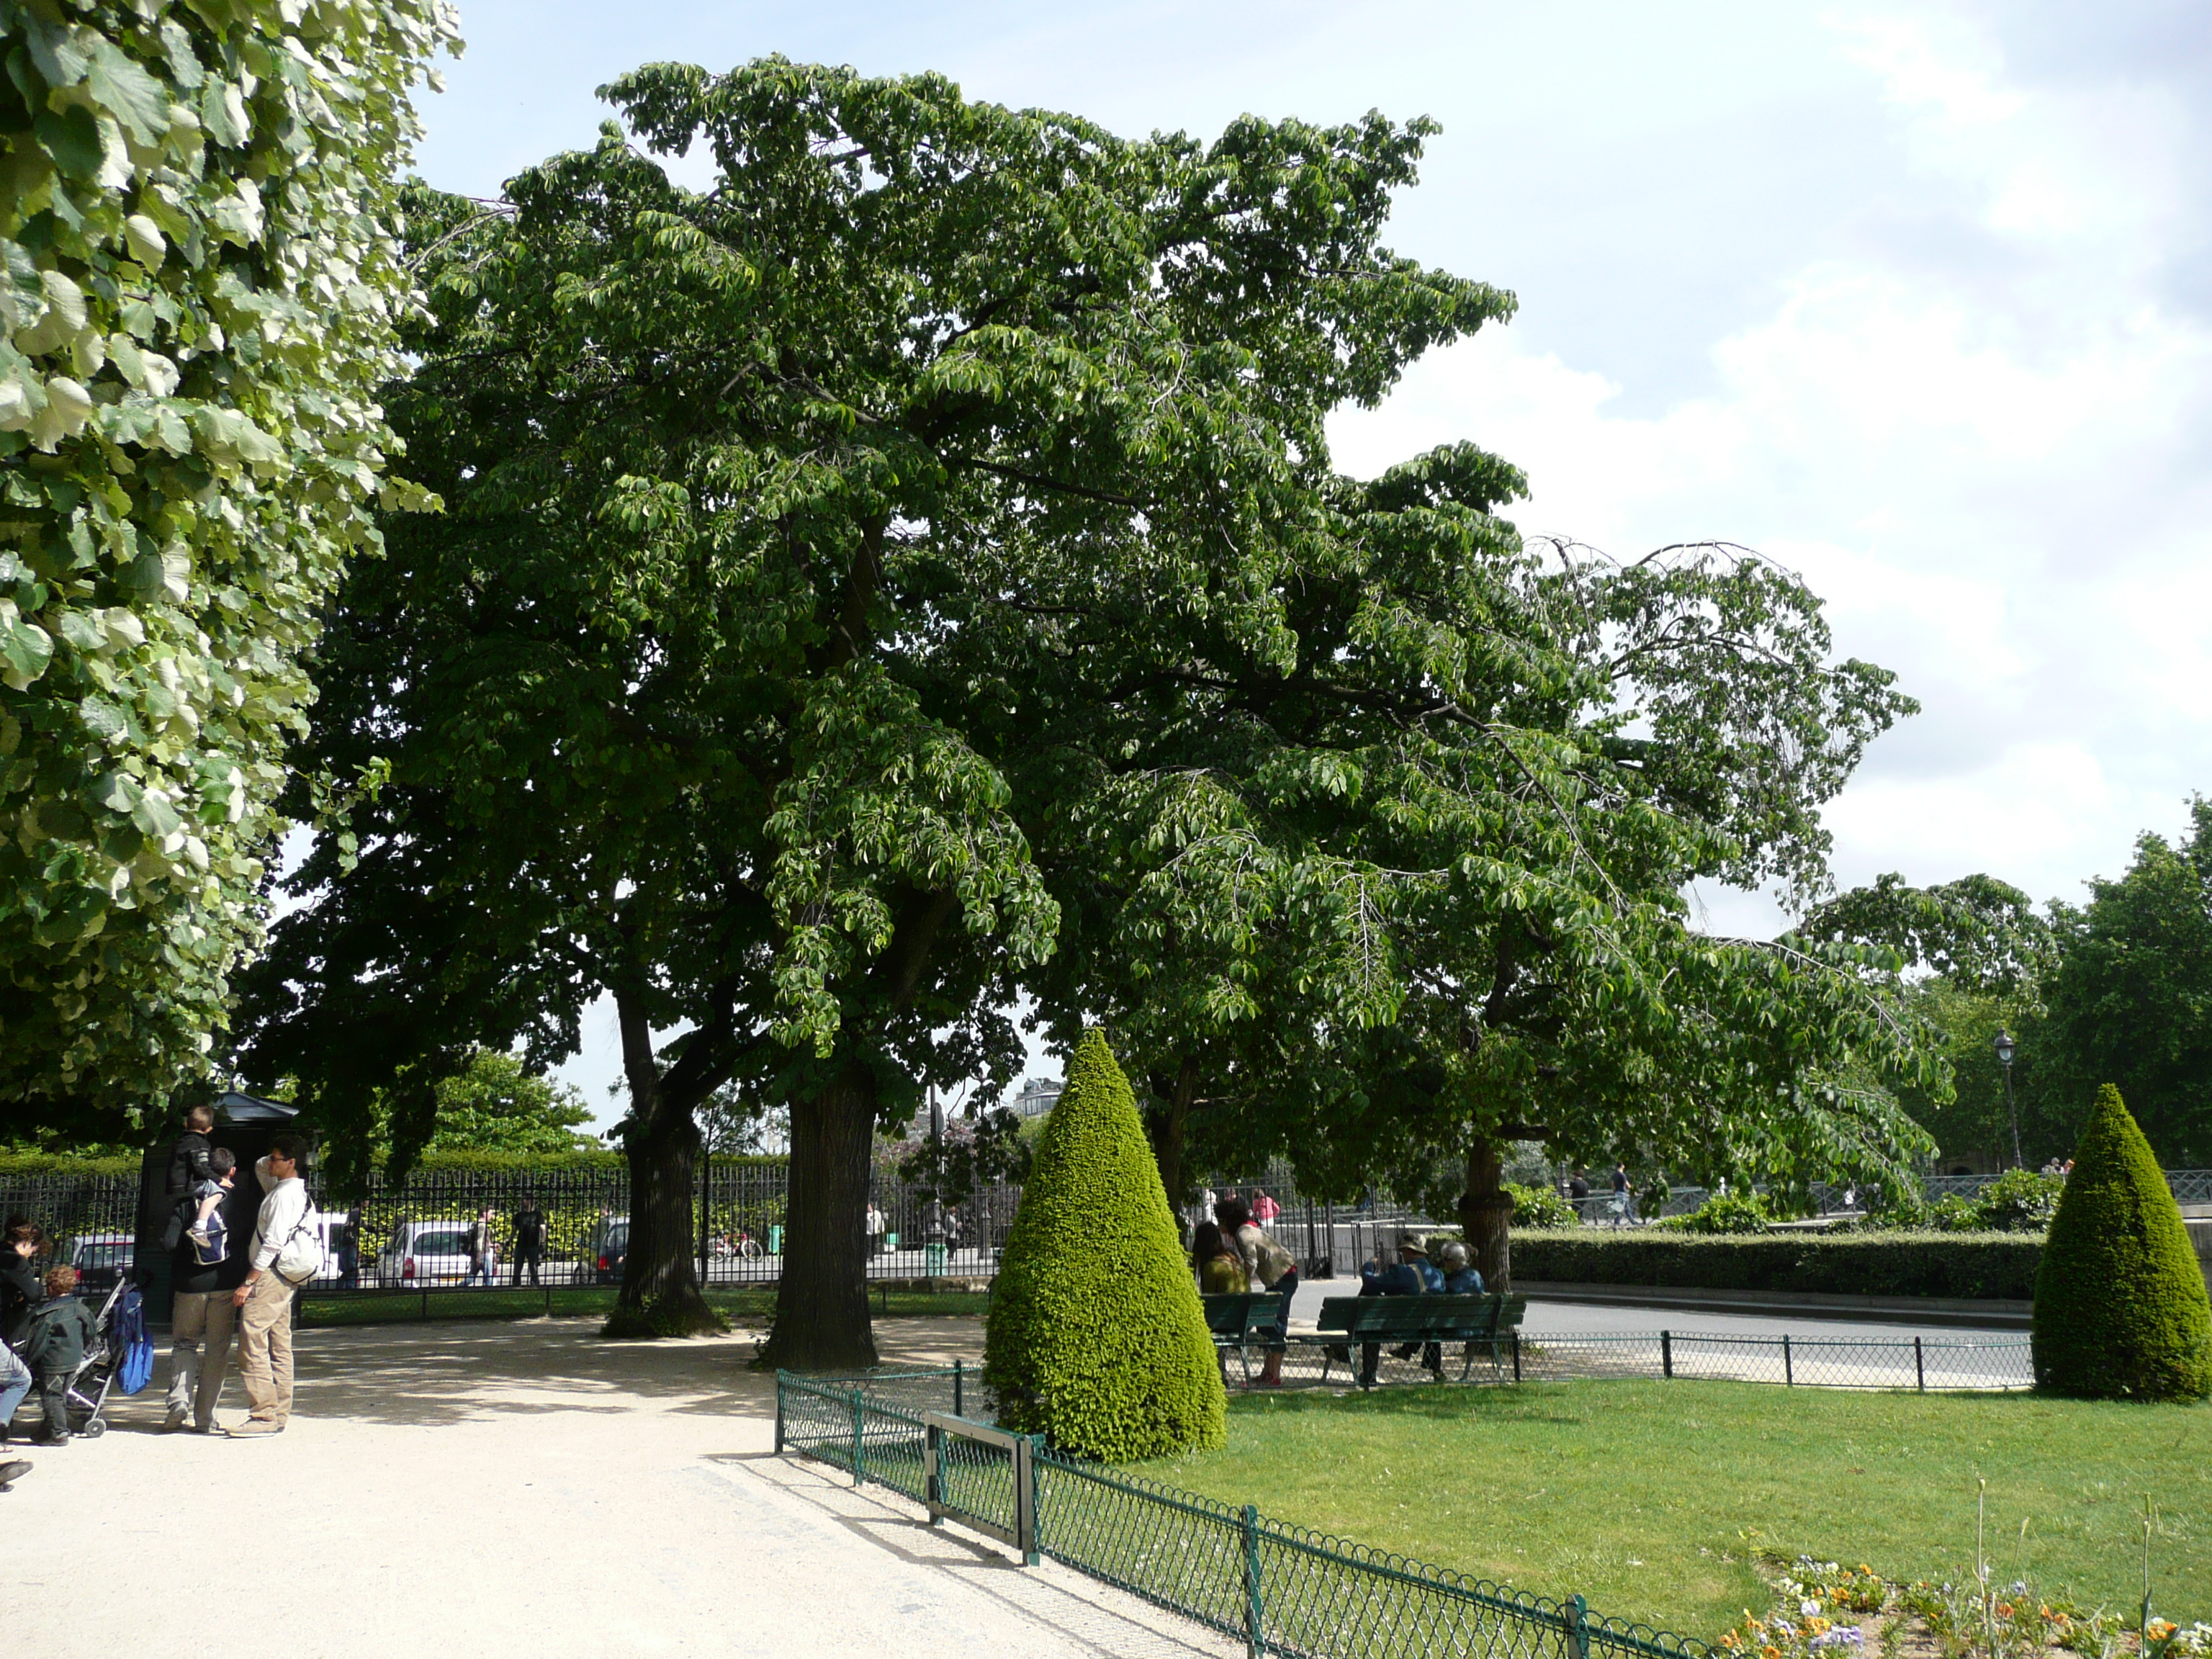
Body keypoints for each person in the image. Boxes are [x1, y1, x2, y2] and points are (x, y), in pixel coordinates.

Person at [232, 1134, 314, 1439]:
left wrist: (249, 1281)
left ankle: (263, 1413)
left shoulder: (282, 1196)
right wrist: (268, 1160)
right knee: (280, 1343)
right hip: (284, 1276)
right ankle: (278, 1413)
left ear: (291, 1163)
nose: (270, 1163)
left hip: (270, 1274)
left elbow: (273, 1243)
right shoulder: (287, 1189)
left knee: (252, 1340)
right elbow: (259, 1168)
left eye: (277, 1158)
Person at [163, 1147, 240, 1433]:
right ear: (231, 1171)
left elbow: (168, 1244)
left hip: (189, 1285)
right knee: (216, 1351)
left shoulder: (186, 1203)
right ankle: (205, 1417)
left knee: (185, 1343)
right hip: (225, 1282)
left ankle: (178, 1403)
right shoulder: (236, 1200)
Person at [1215, 1195, 1297, 1388]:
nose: (1219, 1227)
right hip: (1279, 1277)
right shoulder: (1245, 1231)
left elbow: (1251, 1261)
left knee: (1276, 1324)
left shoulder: (1243, 1235)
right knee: (1267, 1326)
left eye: (1221, 1222)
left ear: (1229, 1220)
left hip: (1284, 1277)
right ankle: (1267, 1373)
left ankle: (1273, 1376)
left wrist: (1244, 1282)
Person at [22, 1264, 96, 1445]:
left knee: (51, 1396)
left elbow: (38, 1342)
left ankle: (59, 1433)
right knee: (60, 1395)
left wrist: (28, 1360)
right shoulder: (80, 1309)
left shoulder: (47, 1314)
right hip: (73, 1359)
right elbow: (91, 1331)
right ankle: (47, 1430)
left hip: (52, 1361)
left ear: (51, 1288)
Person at [1357, 1233, 1442, 1385]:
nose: (1403, 1255)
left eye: (1403, 1252)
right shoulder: (1438, 1275)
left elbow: (1370, 1284)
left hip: (1397, 1327)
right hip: (1427, 1328)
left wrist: (1368, 1267)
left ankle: (1369, 1375)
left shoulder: (1403, 1272)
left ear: (1409, 1251)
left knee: (1371, 1325)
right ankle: (1437, 1372)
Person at [1, 1218, 44, 1446]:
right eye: (34, 1247)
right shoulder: (14, 1262)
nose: (34, 1252)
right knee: (19, 1379)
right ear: (26, 1242)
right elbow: (35, 1294)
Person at [511, 1194, 548, 1286]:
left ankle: (534, 1283)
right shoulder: (519, 1215)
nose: (522, 1202)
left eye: (524, 1200)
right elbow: (514, 1230)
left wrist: (542, 1243)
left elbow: (543, 1229)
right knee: (517, 1267)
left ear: (529, 1201)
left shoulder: (537, 1214)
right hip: (521, 1244)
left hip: (533, 1244)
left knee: (533, 1267)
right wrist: (509, 1240)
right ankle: (516, 1284)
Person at [466, 1206, 500, 1287]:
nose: (492, 1216)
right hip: (483, 1254)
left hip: (477, 1254)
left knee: (471, 1277)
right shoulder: (482, 1226)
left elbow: (480, 1241)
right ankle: (488, 1291)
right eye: (491, 1214)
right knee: (489, 1276)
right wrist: (478, 1257)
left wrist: (491, 1245)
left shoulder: (475, 1224)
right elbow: (479, 1242)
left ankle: (458, 1288)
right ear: (485, 1214)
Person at [1610, 1163, 1635, 1227]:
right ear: (1622, 1166)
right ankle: (1617, 1223)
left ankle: (1632, 1221)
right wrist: (1633, 1191)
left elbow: (1613, 1185)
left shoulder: (1614, 1175)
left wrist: (1614, 1192)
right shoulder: (1622, 1175)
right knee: (1620, 1209)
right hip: (1623, 1193)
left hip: (1617, 1193)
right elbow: (1627, 1184)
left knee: (1626, 1208)